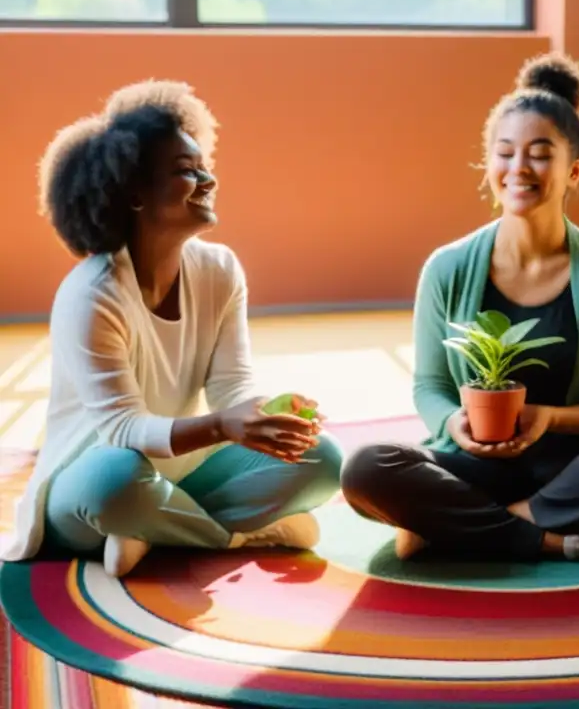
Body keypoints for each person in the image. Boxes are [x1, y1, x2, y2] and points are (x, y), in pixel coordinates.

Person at [341, 53, 579, 563]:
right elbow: (429, 387)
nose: (519, 168)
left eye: (540, 154)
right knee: (366, 468)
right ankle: (563, 536)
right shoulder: (447, 267)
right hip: (473, 463)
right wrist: (455, 423)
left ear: (574, 171)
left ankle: (459, 525)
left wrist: (548, 418)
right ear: (489, 164)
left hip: (571, 467)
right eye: (505, 153)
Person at [0, 80, 342, 578]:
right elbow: (121, 429)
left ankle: (153, 532)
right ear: (135, 194)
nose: (208, 179)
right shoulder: (91, 294)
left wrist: (264, 414)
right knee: (114, 481)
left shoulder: (220, 269)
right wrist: (224, 426)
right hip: (89, 481)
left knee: (321, 459)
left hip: (183, 473)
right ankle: (236, 536)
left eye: (205, 166)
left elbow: (230, 386)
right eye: (187, 171)